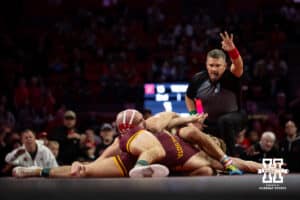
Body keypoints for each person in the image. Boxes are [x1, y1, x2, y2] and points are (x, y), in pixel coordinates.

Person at [185, 31, 246, 155]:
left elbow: (238, 65)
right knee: (188, 131)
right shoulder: (198, 79)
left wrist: (232, 50)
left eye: (218, 65)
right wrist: (195, 116)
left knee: (224, 121)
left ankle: (231, 156)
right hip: (210, 123)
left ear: (225, 66)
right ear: (206, 65)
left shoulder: (232, 76)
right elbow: (189, 97)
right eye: (211, 65)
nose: (214, 69)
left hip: (235, 117)